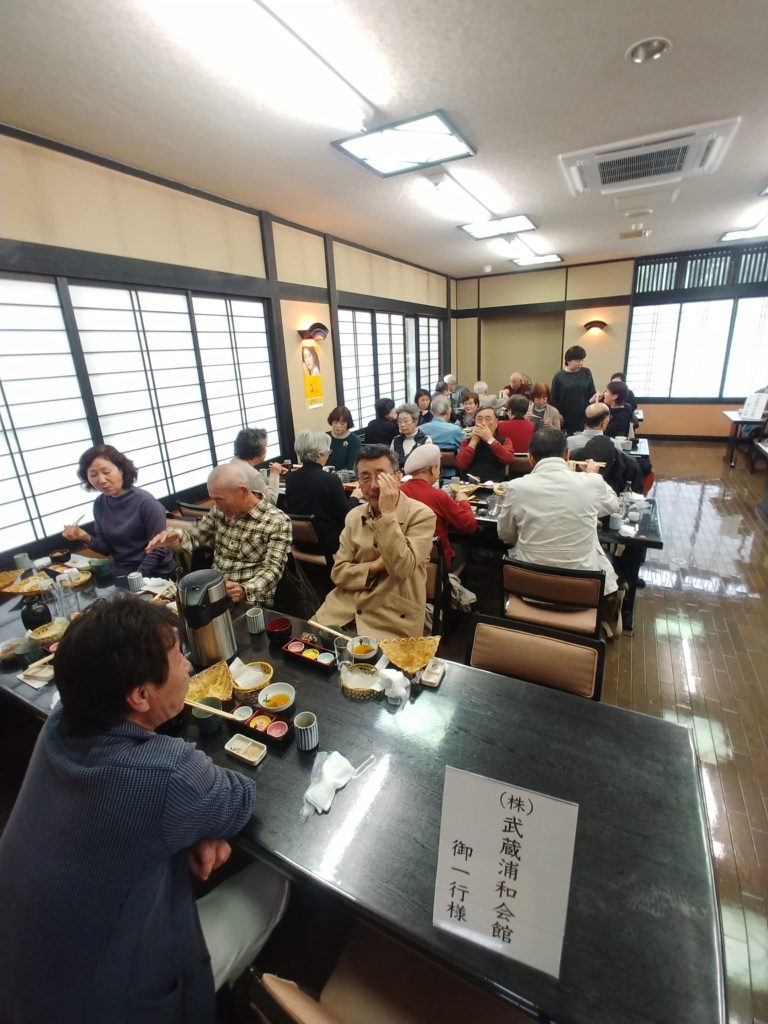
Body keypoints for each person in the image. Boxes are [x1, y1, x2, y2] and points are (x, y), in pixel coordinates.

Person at [0, 595, 288, 1024]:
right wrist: (196, 813)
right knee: (275, 880)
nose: (188, 665)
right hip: (110, 1008)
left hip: (17, 986)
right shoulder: (169, 775)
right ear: (139, 695)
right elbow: (240, 800)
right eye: (178, 655)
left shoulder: (58, 724)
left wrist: (190, 822)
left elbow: (145, 810)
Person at [496, 427, 624, 637]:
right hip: (582, 594)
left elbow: (505, 535)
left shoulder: (516, 487)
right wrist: (594, 475)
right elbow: (613, 506)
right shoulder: (591, 482)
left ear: (529, 457)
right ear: (567, 455)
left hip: (529, 590)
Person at [313, 445, 436, 639]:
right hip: (344, 608)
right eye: (365, 478)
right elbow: (338, 574)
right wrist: (375, 567)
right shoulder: (354, 516)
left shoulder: (421, 515)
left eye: (381, 476)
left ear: (398, 477)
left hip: (392, 617)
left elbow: (401, 570)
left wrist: (388, 514)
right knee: (303, 649)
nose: (374, 486)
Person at [146, 462, 291, 606]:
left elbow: (272, 569)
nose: (216, 506)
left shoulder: (276, 521)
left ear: (243, 491)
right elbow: (195, 536)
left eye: (219, 499)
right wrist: (175, 539)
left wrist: (244, 590)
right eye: (213, 499)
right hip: (214, 594)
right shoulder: (219, 512)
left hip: (250, 602)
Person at [62, 444, 175, 578]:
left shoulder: (147, 503)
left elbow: (159, 548)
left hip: (156, 573)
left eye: (106, 472)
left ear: (121, 470)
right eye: (93, 475)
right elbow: (107, 549)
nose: (101, 480)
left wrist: (136, 576)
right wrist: (84, 537)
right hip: (123, 571)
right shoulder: (99, 504)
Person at [400, 445, 477, 571]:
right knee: (465, 546)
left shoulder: (399, 492)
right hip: (436, 564)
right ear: (433, 469)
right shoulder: (439, 496)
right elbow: (469, 526)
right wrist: (464, 502)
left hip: (406, 558)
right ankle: (450, 581)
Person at [285, 430, 357, 555]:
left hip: (301, 543)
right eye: (328, 452)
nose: (328, 455)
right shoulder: (331, 480)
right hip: (329, 545)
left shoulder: (290, 478)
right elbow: (346, 515)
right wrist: (355, 497)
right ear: (319, 455)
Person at [455, 406, 517, 481]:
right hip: (469, 485)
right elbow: (461, 465)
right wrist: (473, 442)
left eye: (488, 419)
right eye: (480, 419)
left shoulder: (504, 441)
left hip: (495, 484)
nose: (483, 423)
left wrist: (490, 439)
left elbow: (508, 459)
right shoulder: (467, 442)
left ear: (496, 422)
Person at [550, 345, 596, 435]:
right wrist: (557, 414)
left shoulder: (586, 372)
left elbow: (592, 392)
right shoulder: (559, 376)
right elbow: (553, 399)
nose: (581, 363)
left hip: (583, 416)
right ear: (568, 361)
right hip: (564, 416)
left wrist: (595, 398)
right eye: (578, 361)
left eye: (582, 360)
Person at [232, 426, 281, 504]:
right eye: (265, 447)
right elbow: (271, 501)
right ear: (257, 451)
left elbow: (257, 483)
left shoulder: (234, 461)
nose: (266, 450)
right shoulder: (252, 474)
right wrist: (275, 474)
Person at [391, 402, 431, 470]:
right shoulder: (395, 440)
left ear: (415, 421)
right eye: (399, 422)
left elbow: (427, 466)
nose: (402, 425)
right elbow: (391, 464)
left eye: (406, 421)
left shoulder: (426, 440)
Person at [326, 405, 362, 472]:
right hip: (325, 474)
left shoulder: (354, 441)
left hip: (345, 476)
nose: (338, 426)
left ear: (348, 424)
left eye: (342, 424)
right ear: (331, 422)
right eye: (335, 422)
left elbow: (352, 466)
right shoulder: (325, 437)